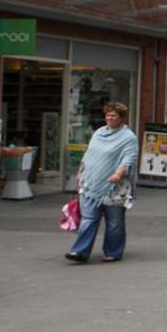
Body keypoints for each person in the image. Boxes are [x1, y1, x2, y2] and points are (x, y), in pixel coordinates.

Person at [66, 102, 138, 263]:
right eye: (108, 115)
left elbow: (129, 158)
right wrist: (80, 174)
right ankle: (80, 252)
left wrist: (118, 173)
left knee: (114, 222)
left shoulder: (129, 137)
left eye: (114, 115)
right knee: (88, 218)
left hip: (115, 187)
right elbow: (89, 154)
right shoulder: (98, 132)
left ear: (122, 118)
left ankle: (113, 252)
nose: (110, 118)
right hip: (91, 183)